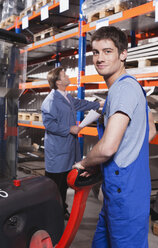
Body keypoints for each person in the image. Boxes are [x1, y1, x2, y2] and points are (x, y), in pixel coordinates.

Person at [73, 26, 156, 247]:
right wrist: (122, 154)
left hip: (124, 193)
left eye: (108, 51)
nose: (99, 58)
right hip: (123, 192)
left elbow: (109, 147)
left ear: (123, 54)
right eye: (96, 52)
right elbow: (150, 130)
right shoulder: (131, 86)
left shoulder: (123, 90)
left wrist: (84, 162)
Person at [41, 66, 103, 220]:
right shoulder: (51, 100)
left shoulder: (66, 97)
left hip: (67, 148)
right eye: (64, 74)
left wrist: (99, 105)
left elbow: (80, 104)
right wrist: (69, 129)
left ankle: (61, 210)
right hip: (57, 150)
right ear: (58, 82)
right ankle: (52, 213)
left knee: (63, 184)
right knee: (54, 185)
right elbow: (49, 124)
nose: (67, 76)